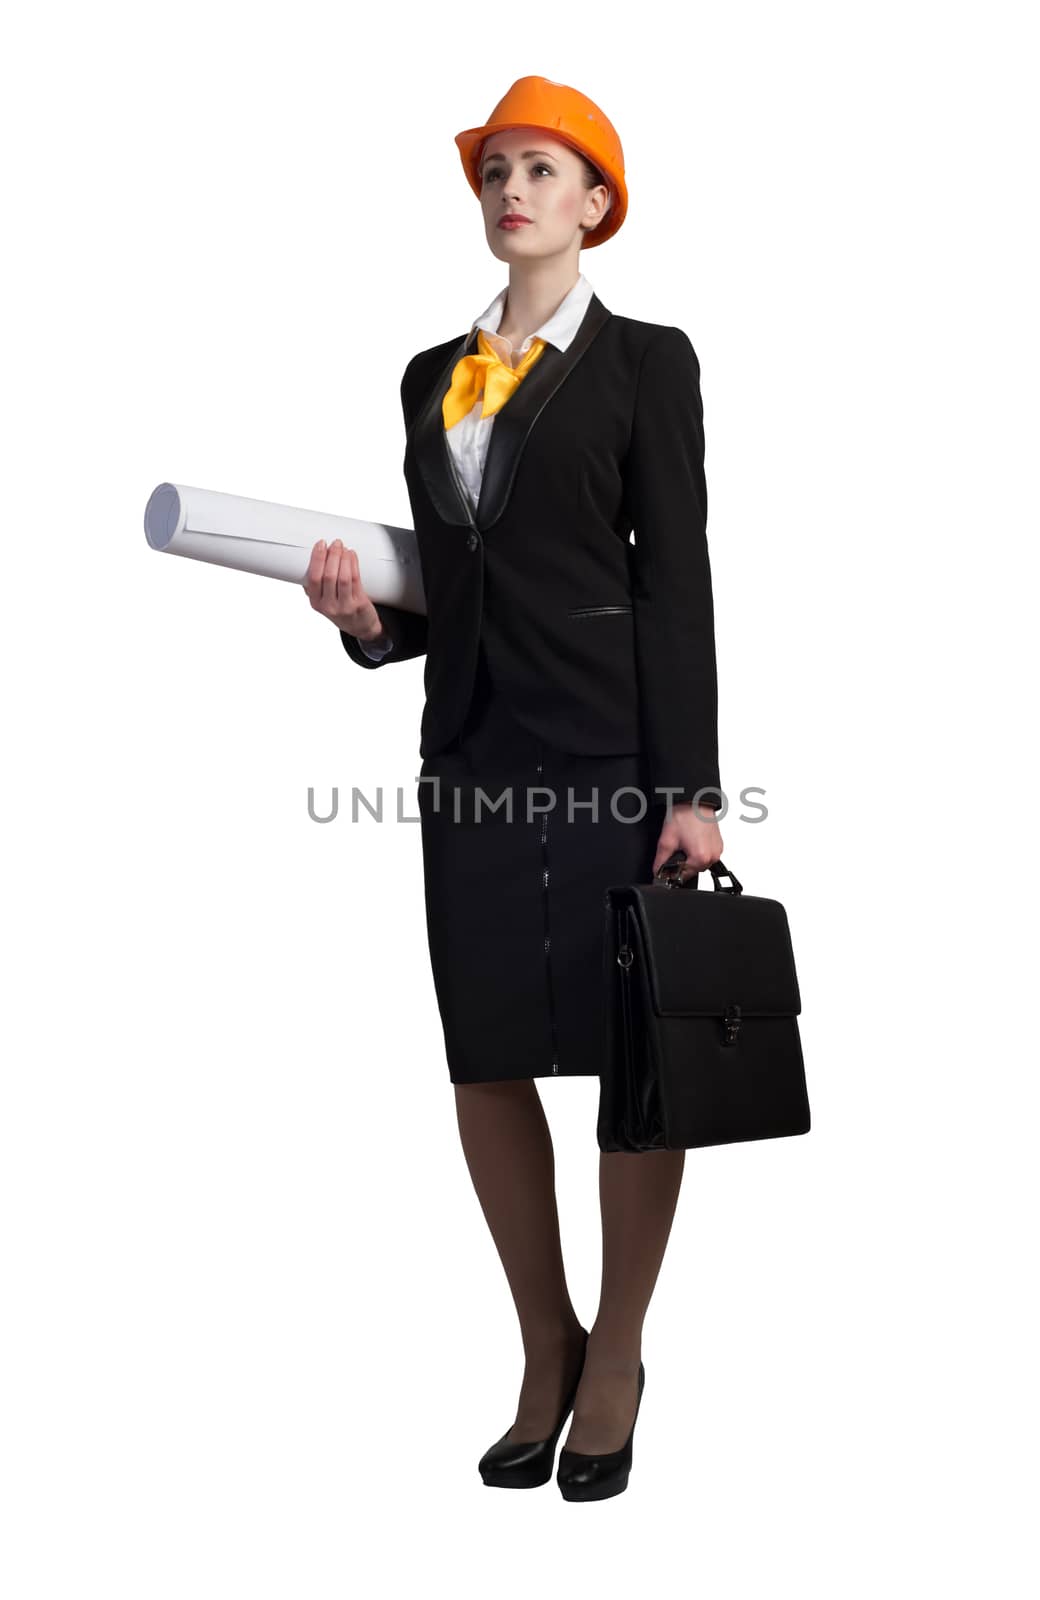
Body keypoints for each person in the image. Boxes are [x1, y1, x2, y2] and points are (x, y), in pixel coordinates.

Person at [303, 76, 723, 1501]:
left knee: (633, 1057)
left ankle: (621, 1357)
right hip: (470, 752)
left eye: (541, 170)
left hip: (610, 756)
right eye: (494, 170)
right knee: (485, 1052)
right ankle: (546, 1342)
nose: (511, 191)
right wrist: (370, 620)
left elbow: (675, 586)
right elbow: (450, 588)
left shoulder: (646, 364)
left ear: (595, 202)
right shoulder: (432, 376)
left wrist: (694, 791)